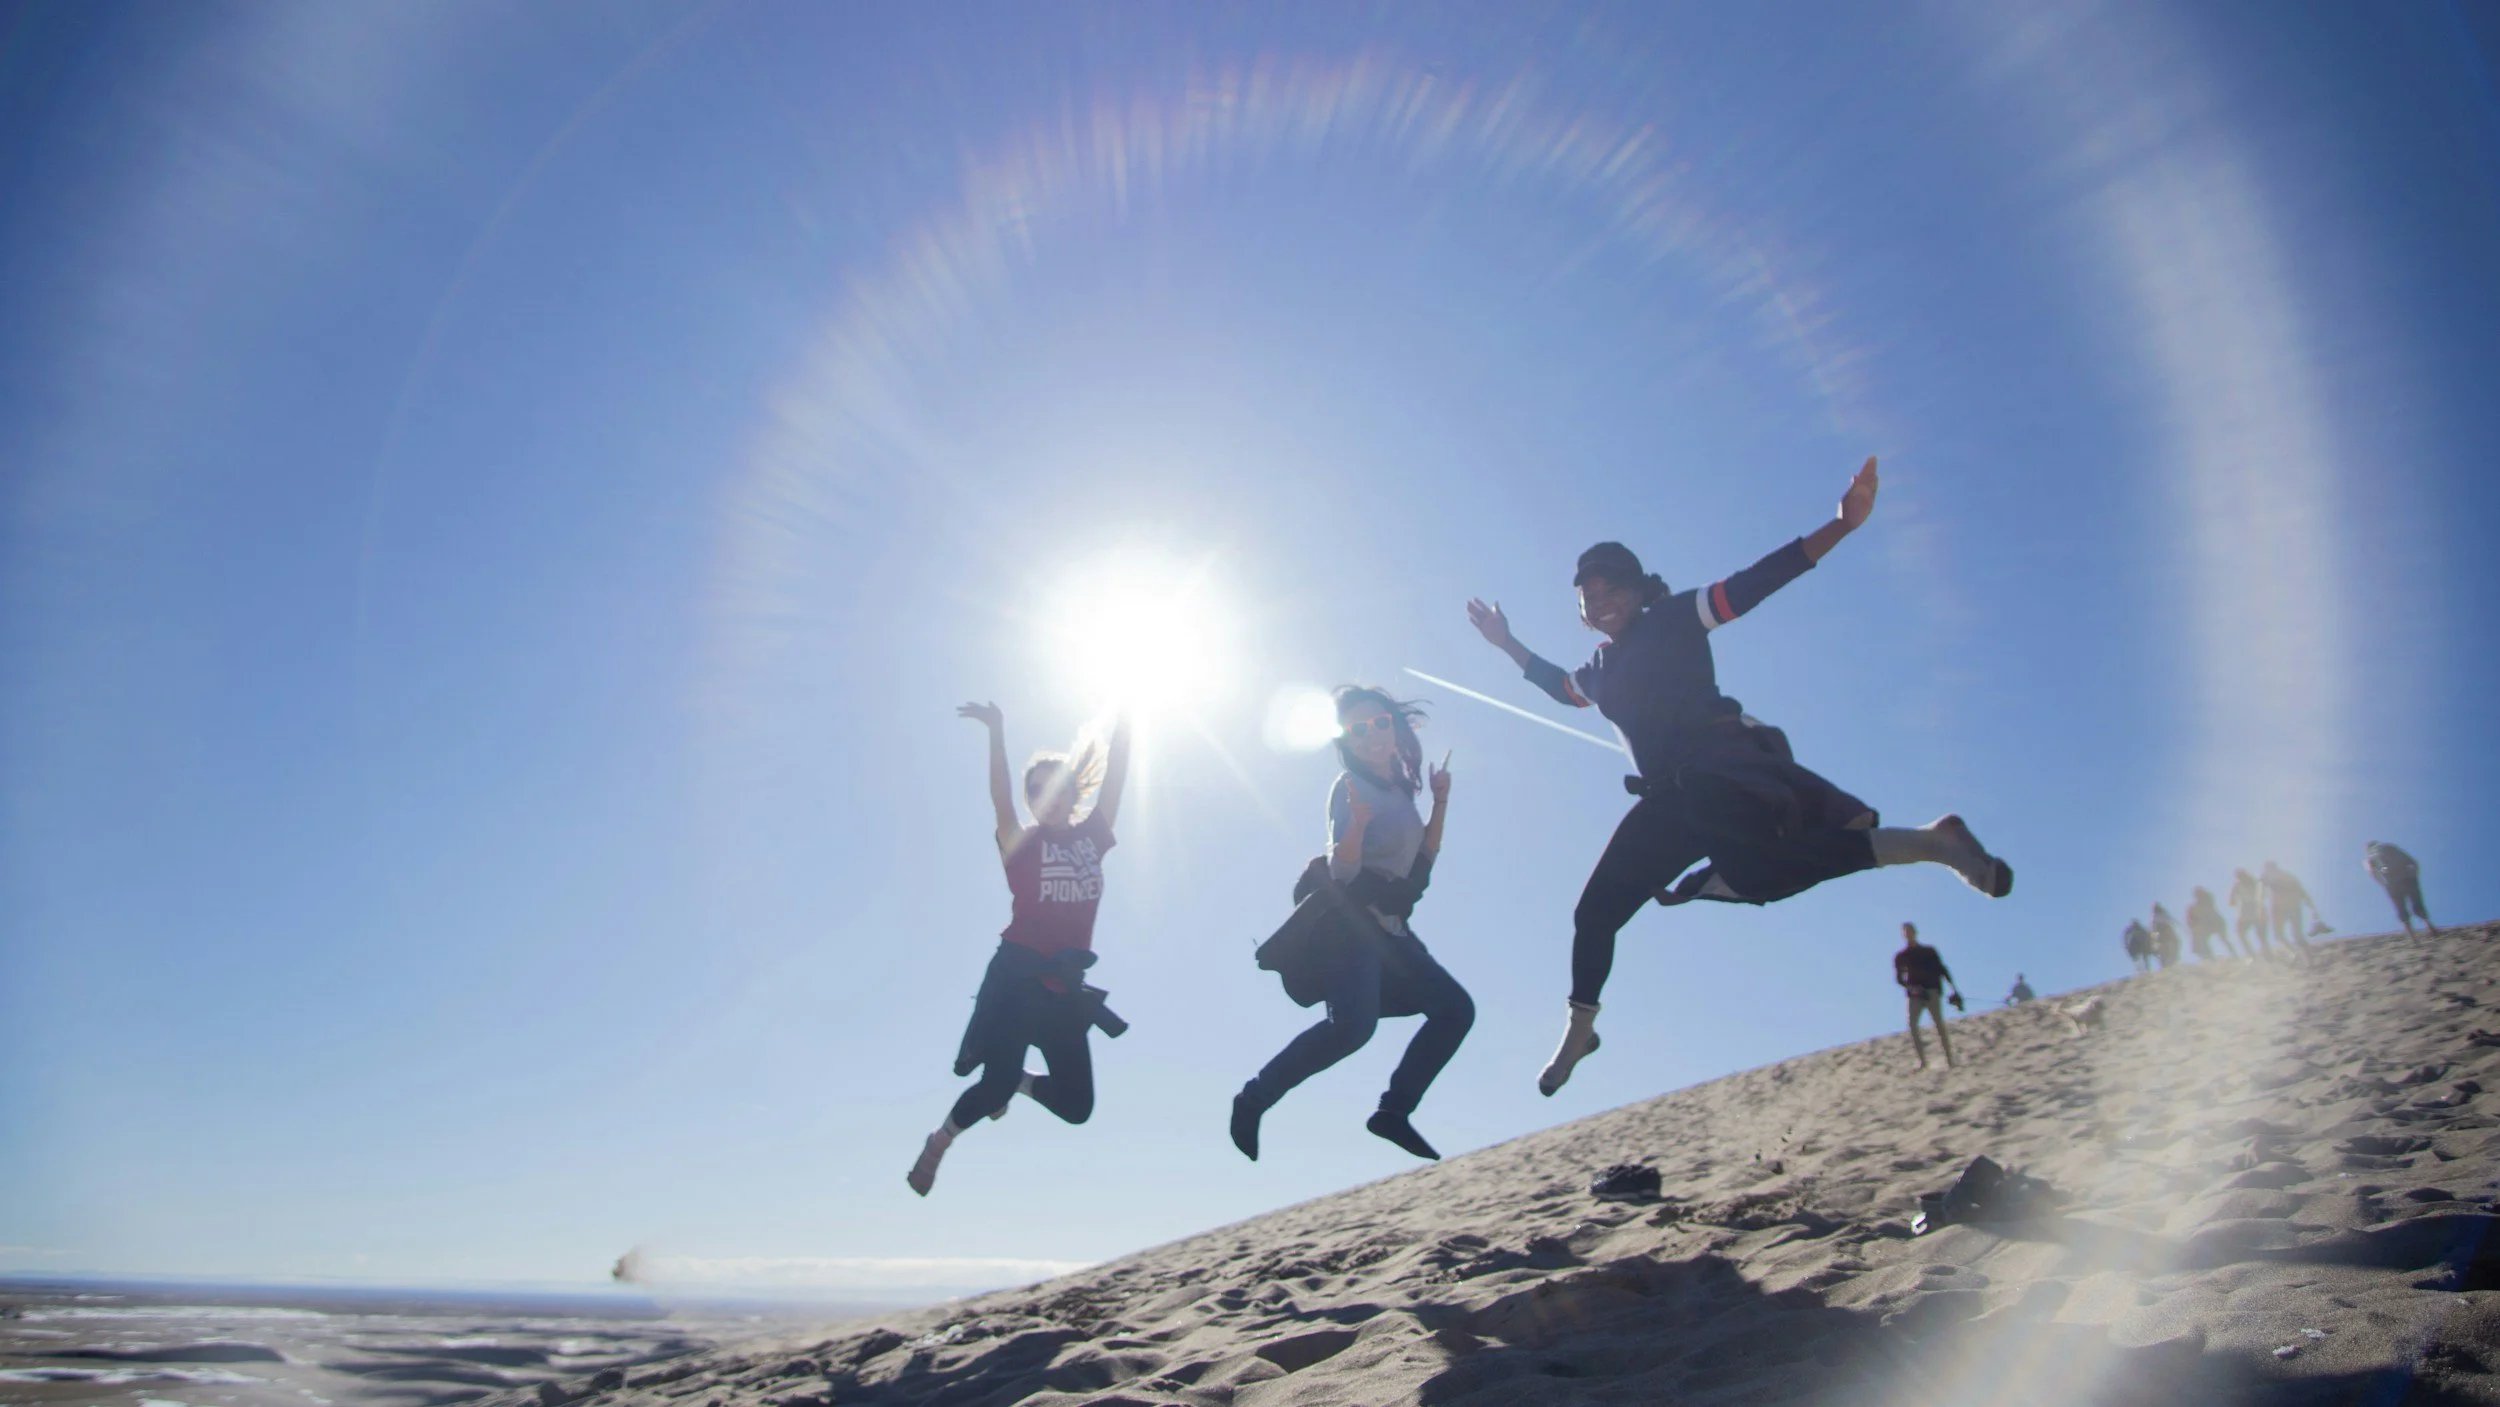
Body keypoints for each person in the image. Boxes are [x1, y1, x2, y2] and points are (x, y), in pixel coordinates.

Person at [1466, 458, 2013, 1095]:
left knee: (1744, 870)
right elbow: (1563, 690)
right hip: (1674, 799)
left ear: (1641, 589)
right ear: (1583, 614)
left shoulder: (1672, 618)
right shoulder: (1599, 669)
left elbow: (1752, 585)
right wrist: (1506, 642)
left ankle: (1928, 844)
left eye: (1613, 587)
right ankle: (1582, 1031)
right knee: (1601, 912)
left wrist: (1839, 527)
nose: (1602, 600)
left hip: (1724, 776)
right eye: (1589, 597)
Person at [1230, 688, 1474, 1162]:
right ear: (1346, 740)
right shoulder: (1350, 788)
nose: (1371, 736)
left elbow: (1424, 855)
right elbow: (1342, 872)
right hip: (1350, 930)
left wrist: (1441, 800)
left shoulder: (1400, 787)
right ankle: (1254, 1098)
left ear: (1393, 725)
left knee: (1455, 1010)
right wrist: (1356, 827)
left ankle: (1393, 1112)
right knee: (1353, 1030)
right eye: (1358, 730)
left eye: (1379, 723)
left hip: (1391, 928)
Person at [907, 704, 1131, 1196]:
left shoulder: (1094, 836)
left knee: (1077, 1108)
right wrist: (997, 733)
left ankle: (1024, 1084)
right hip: (1019, 985)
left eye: (1056, 787)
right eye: (1036, 790)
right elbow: (998, 798)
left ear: (1073, 794)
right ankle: (939, 1141)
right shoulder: (1020, 843)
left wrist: (1127, 723)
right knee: (993, 1083)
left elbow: (1116, 779)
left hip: (1066, 993)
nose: (1045, 797)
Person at [1894, 922, 1962, 1069]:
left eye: (1910, 931)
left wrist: (1954, 989)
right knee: (1912, 1025)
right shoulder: (1901, 956)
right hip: (1914, 995)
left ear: (1915, 932)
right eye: (1906, 931)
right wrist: (1911, 988)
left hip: (1932, 991)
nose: (1908, 934)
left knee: (1939, 1024)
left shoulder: (1929, 951)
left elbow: (1942, 970)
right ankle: (1923, 1061)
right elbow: (1899, 979)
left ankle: (1949, 1058)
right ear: (1903, 934)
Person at [2365, 841, 2437, 936]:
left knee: (2400, 907)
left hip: (2391, 882)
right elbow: (2411, 861)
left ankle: (2411, 934)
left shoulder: (2371, 856)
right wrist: (2414, 874)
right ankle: (2429, 925)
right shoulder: (2390, 847)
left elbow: (2372, 872)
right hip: (2407, 876)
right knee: (2417, 901)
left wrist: (2384, 884)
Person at [2262, 861, 2318, 953]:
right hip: (2287, 908)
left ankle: (2302, 955)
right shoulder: (2283, 877)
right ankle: (2300, 954)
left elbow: (2301, 891)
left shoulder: (2283, 877)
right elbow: (2302, 892)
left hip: (2286, 908)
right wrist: (2312, 907)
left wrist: (2312, 908)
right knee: (2286, 935)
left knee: (2293, 935)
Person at [2229, 867, 2271, 957]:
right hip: (2248, 911)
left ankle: (2267, 955)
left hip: (2255, 909)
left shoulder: (2256, 883)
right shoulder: (2238, 886)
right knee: (2241, 933)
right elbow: (2231, 901)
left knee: (2260, 935)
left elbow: (2264, 894)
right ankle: (2254, 955)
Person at [2185, 886, 2234, 960]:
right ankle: (2209, 958)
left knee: (2223, 939)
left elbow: (2207, 909)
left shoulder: (2206, 901)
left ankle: (2232, 955)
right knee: (2202, 940)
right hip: (2208, 926)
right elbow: (2191, 920)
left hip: (2216, 923)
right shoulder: (2194, 907)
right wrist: (2192, 925)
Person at [2148, 903, 2183, 969]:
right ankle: (2171, 963)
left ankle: (2168, 964)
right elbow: (2172, 920)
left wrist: (2153, 940)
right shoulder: (2162, 914)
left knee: (2165, 950)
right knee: (2172, 946)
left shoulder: (2155, 917)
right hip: (2167, 932)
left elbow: (2153, 929)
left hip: (2163, 934)